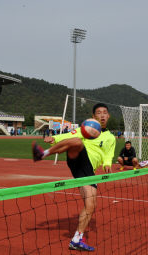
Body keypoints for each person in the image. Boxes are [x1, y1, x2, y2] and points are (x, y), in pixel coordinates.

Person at [32, 103, 116, 251]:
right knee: (77, 142)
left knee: (90, 205)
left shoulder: (110, 137)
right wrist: (55, 138)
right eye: (99, 113)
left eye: (105, 113)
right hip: (78, 158)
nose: (102, 115)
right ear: (93, 116)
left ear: (108, 116)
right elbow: (70, 135)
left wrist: (107, 164)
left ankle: (77, 239)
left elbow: (109, 153)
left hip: (88, 172)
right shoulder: (86, 128)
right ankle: (43, 154)